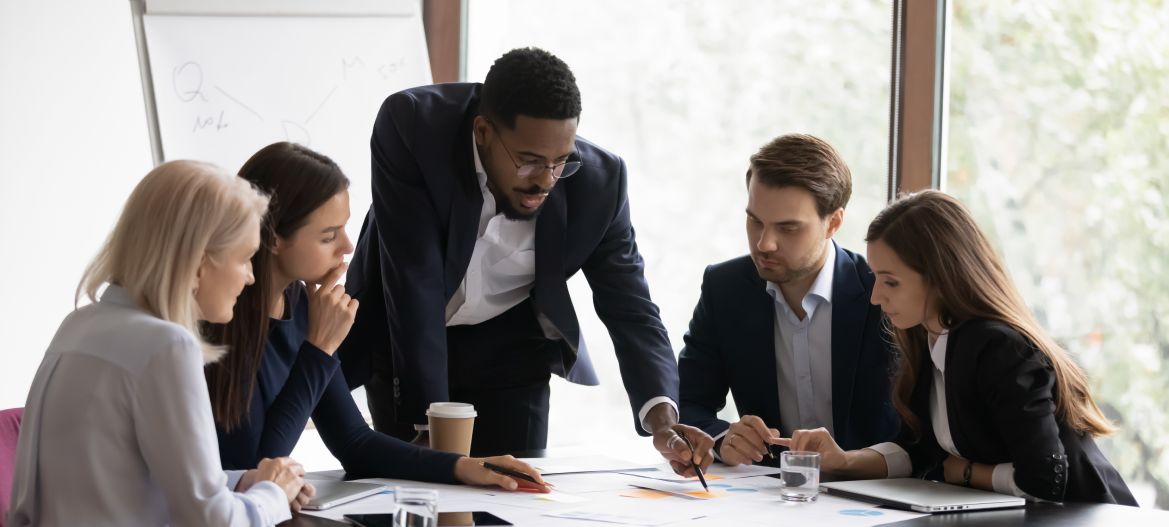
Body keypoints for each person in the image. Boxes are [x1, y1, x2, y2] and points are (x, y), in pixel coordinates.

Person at [340, 47, 712, 472]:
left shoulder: (600, 183)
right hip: (407, 339)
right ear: (482, 132)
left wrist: (664, 421)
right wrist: (432, 432)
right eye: (529, 162)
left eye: (560, 162)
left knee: (516, 494)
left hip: (511, 350)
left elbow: (631, 306)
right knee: (413, 492)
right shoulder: (413, 127)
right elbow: (414, 282)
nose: (546, 181)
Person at [204, 142, 548, 491]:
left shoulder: (303, 305)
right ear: (273, 237)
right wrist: (320, 349)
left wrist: (464, 466)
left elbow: (353, 442)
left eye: (343, 229)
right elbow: (256, 469)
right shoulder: (219, 318)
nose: (348, 247)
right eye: (328, 236)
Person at [776, 190, 1137, 505]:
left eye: (890, 282)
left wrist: (962, 472)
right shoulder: (927, 338)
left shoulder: (1000, 349)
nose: (875, 297)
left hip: (1085, 515)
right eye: (875, 278)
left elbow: (1045, 480)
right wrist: (844, 461)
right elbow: (919, 451)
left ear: (940, 278)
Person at [8, 160, 310, 526]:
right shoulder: (166, 346)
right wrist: (273, 495)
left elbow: (132, 486)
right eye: (246, 258)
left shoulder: (77, 326)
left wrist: (246, 482)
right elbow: (211, 522)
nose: (250, 277)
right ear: (199, 263)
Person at [678, 134, 899, 467]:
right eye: (755, 221)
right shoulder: (725, 288)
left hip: (871, 495)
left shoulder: (881, 293)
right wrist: (723, 439)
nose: (765, 243)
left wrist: (851, 463)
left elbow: (918, 430)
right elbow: (686, 402)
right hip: (767, 495)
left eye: (788, 228)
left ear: (833, 223)